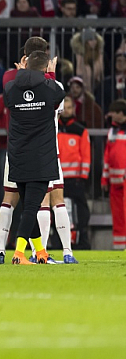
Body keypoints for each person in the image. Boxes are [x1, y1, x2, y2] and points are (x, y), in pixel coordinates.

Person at [0, 37, 50, 263]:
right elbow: (54, 96)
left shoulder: (9, 78)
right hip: (41, 150)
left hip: (14, 148)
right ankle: (23, 252)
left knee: (13, 201)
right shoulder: (48, 83)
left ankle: (4, 251)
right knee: (40, 203)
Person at [3, 51, 65, 265]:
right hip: (41, 158)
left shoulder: (10, 88)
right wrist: (50, 74)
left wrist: (22, 75)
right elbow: (58, 95)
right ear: (46, 66)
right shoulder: (50, 88)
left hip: (18, 157)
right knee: (31, 208)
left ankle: (41, 252)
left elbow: (11, 94)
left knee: (28, 205)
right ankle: (19, 253)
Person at [58, 96, 91, 251]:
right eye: (64, 107)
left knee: (80, 213)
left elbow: (86, 155)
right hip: (56, 178)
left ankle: (81, 242)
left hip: (75, 179)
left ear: (74, 109)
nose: (66, 110)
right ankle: (57, 243)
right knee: (56, 211)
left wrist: (83, 177)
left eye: (69, 107)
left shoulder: (80, 130)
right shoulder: (52, 128)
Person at [103, 99, 126, 249]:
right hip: (114, 181)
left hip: (124, 179)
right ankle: (119, 247)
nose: (112, 115)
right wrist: (105, 179)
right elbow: (107, 156)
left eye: (115, 113)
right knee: (118, 217)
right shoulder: (112, 131)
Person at [70, 28, 104, 94]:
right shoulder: (77, 57)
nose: (94, 42)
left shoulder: (100, 55)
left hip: (98, 88)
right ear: (85, 42)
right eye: (91, 40)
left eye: (95, 39)